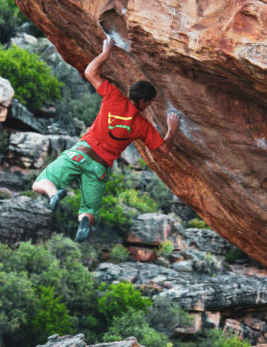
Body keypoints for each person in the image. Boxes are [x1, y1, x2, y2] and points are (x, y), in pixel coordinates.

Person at [32, 37, 180, 242]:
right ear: (144, 103)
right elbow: (164, 150)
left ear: (130, 92)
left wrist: (105, 52)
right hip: (99, 167)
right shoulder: (142, 126)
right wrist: (171, 130)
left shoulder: (113, 97)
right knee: (89, 208)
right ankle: (84, 221)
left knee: (41, 182)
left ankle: (53, 194)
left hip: (81, 152)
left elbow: (89, 73)